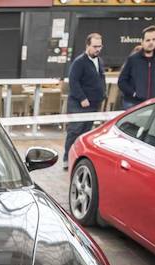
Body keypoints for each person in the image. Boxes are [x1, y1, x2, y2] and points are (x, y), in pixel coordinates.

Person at [62, 33, 106, 169]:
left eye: (100, 46)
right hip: (79, 104)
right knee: (74, 131)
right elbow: (73, 82)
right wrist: (82, 98)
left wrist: (102, 94)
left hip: (94, 104)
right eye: (95, 46)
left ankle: (78, 158)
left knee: (86, 133)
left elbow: (100, 79)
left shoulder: (99, 61)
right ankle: (66, 159)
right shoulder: (79, 62)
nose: (97, 49)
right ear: (87, 46)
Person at [118, 25, 155, 110]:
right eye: (148, 40)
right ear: (142, 42)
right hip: (132, 103)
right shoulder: (133, 59)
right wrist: (134, 94)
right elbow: (122, 81)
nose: (151, 42)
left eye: (154, 39)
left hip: (152, 103)